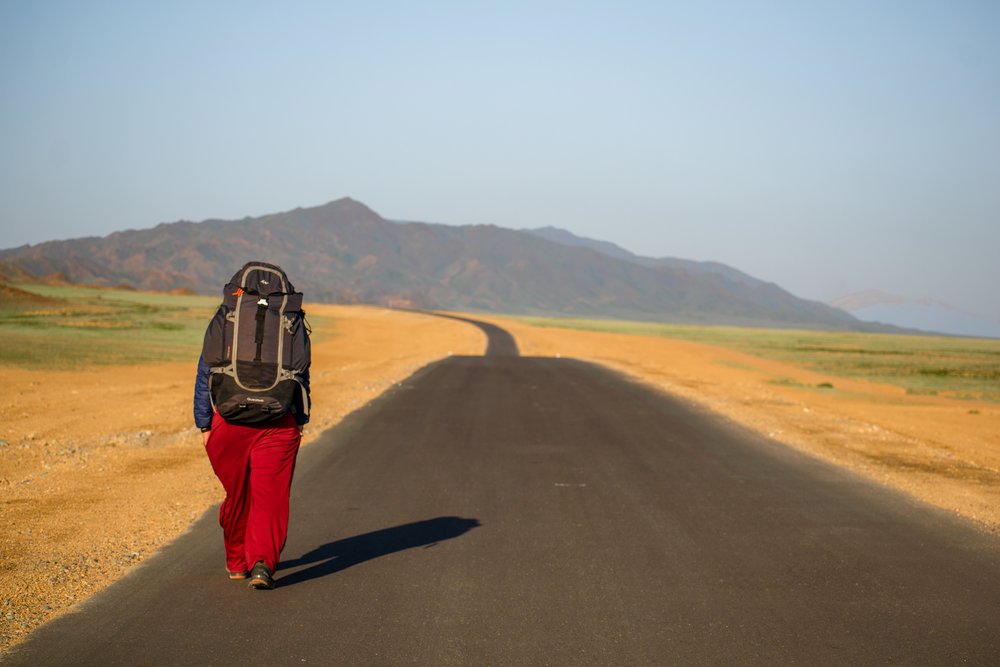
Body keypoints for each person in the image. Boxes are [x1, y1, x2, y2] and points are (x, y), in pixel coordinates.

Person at [193, 269, 311, 590]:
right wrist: (299, 420)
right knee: (270, 498)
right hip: (278, 423)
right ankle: (262, 563)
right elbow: (301, 372)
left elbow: (207, 370)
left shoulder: (228, 316)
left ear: (237, 290)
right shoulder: (290, 317)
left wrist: (204, 423)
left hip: (229, 421)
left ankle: (236, 562)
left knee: (238, 496)